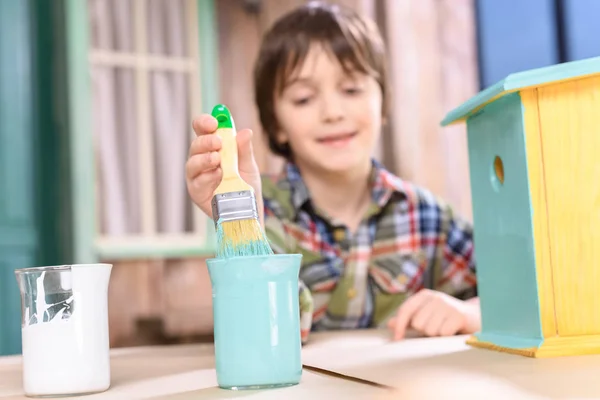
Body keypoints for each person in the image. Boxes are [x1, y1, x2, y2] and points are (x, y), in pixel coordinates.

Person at [185, 1, 480, 344]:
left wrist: (471, 312)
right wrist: (242, 221)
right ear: (276, 123)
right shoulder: (262, 211)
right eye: (304, 98)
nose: (332, 112)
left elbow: (522, 296)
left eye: (351, 90)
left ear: (383, 103)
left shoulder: (428, 218)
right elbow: (260, 334)